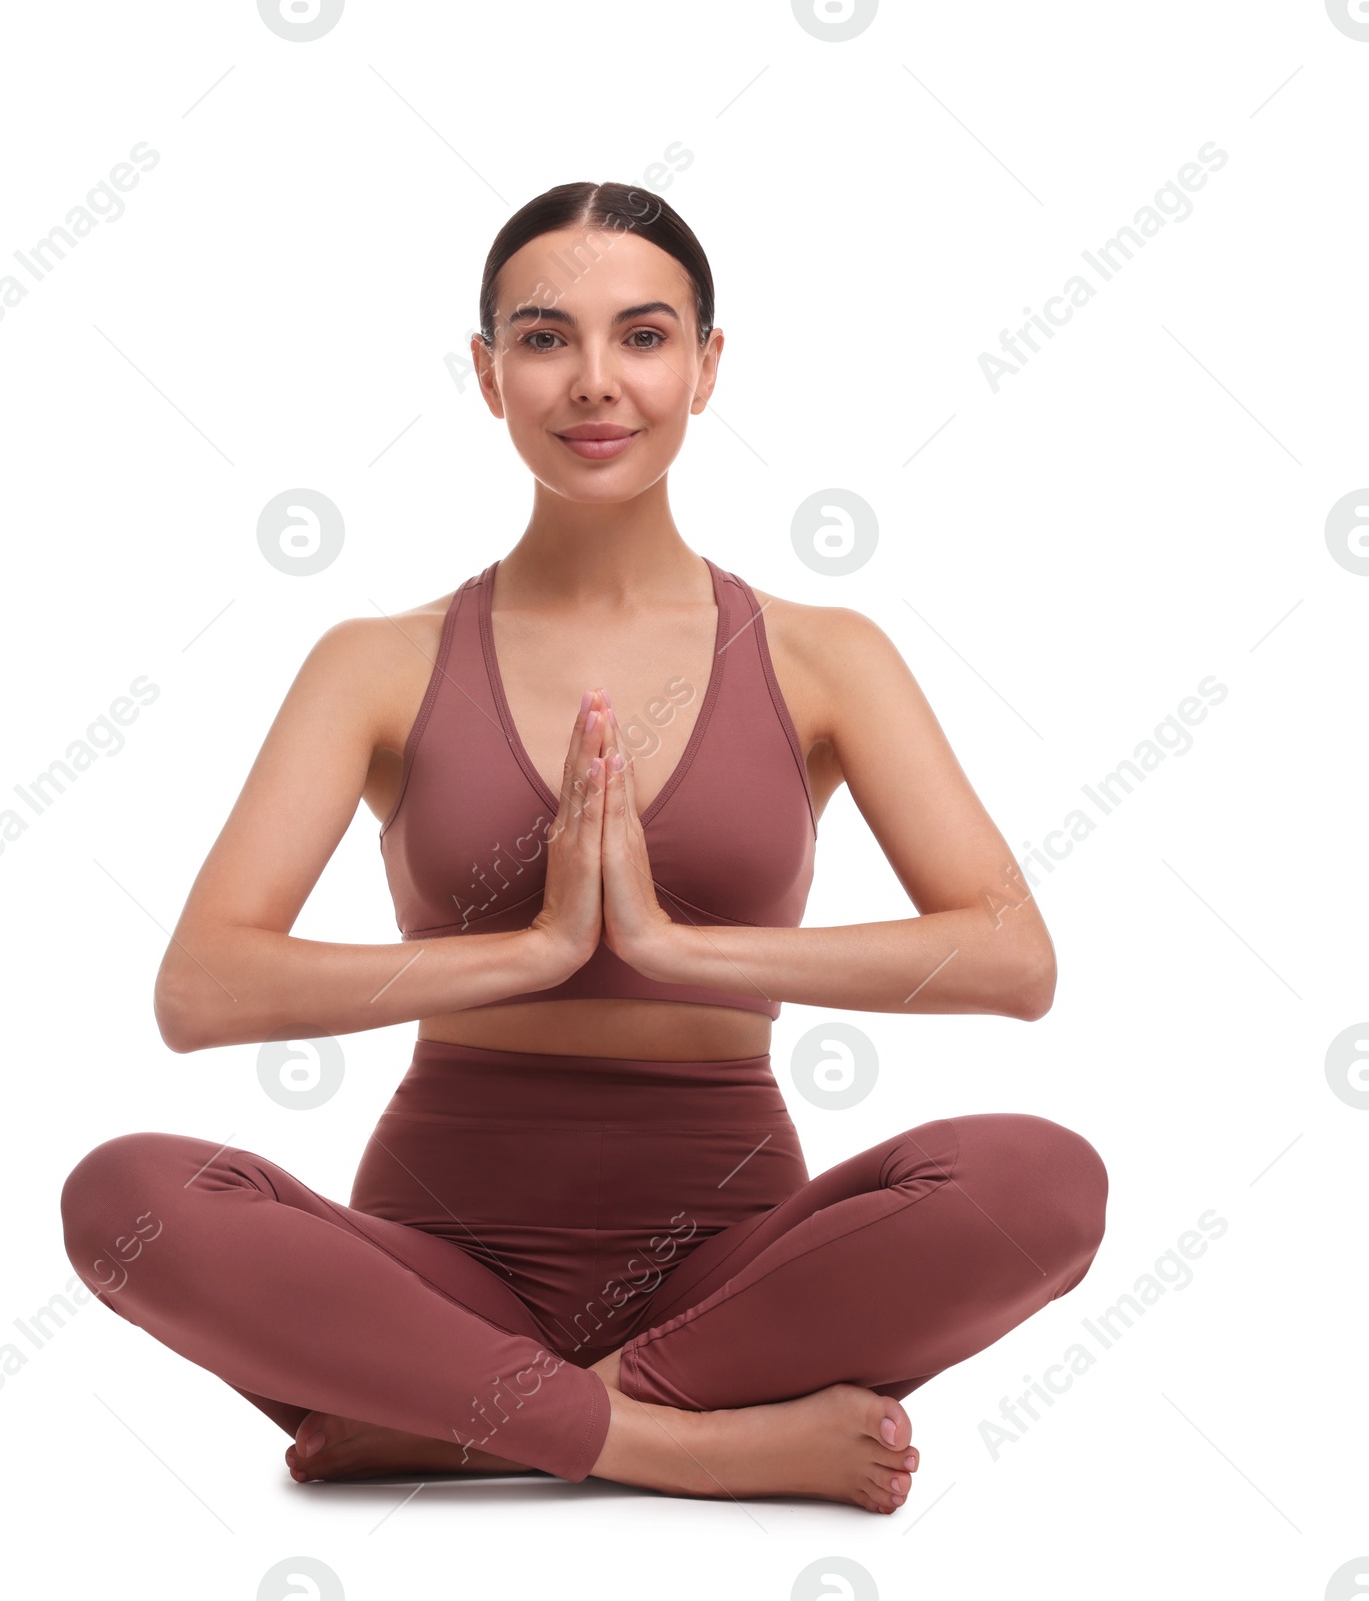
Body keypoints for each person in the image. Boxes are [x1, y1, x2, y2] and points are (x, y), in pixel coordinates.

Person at [59, 181, 1107, 1514]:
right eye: (547, 338)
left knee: (1044, 1180)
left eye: (646, 336)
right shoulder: (376, 664)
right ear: (489, 375)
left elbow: (1013, 959)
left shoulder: (823, 655)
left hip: (734, 1281)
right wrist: (535, 949)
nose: (597, 383)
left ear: (708, 366)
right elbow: (200, 991)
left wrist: (671, 946)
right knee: (127, 1194)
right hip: (432, 1278)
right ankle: (681, 1442)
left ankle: (459, 1423)